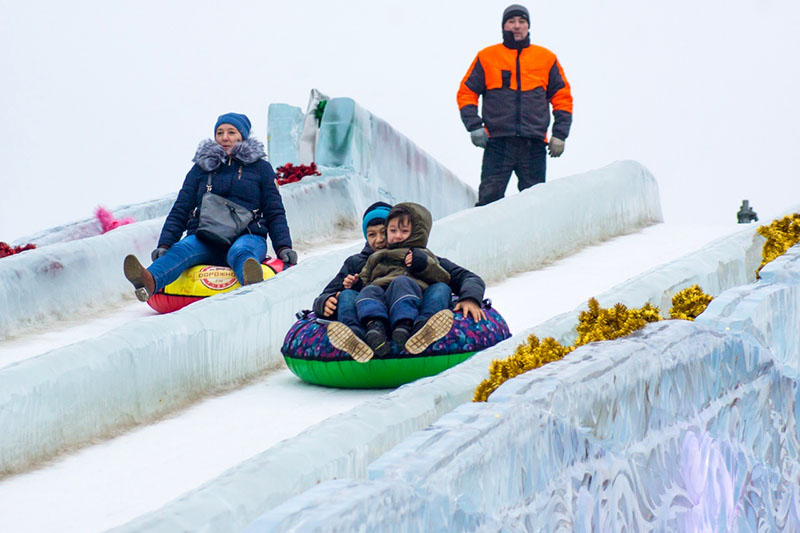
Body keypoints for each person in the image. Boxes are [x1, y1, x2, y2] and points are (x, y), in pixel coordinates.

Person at [123, 112, 296, 302]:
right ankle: (148, 281)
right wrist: (165, 244)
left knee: (242, 252)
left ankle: (250, 280)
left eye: (231, 132)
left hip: (248, 234)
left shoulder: (260, 169)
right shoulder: (202, 169)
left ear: (242, 136)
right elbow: (181, 208)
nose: (224, 138)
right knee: (183, 249)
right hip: (206, 236)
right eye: (220, 133)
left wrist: (283, 247)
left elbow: (275, 211)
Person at [457, 4, 573, 206]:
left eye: (521, 21)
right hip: (498, 143)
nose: (517, 26)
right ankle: (487, 237)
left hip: (533, 144)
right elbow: (467, 92)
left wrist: (560, 134)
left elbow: (562, 97)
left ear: (528, 26)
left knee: (535, 203)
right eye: (511, 21)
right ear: (503, 26)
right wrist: (474, 126)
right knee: (489, 201)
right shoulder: (487, 57)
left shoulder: (546, 58)